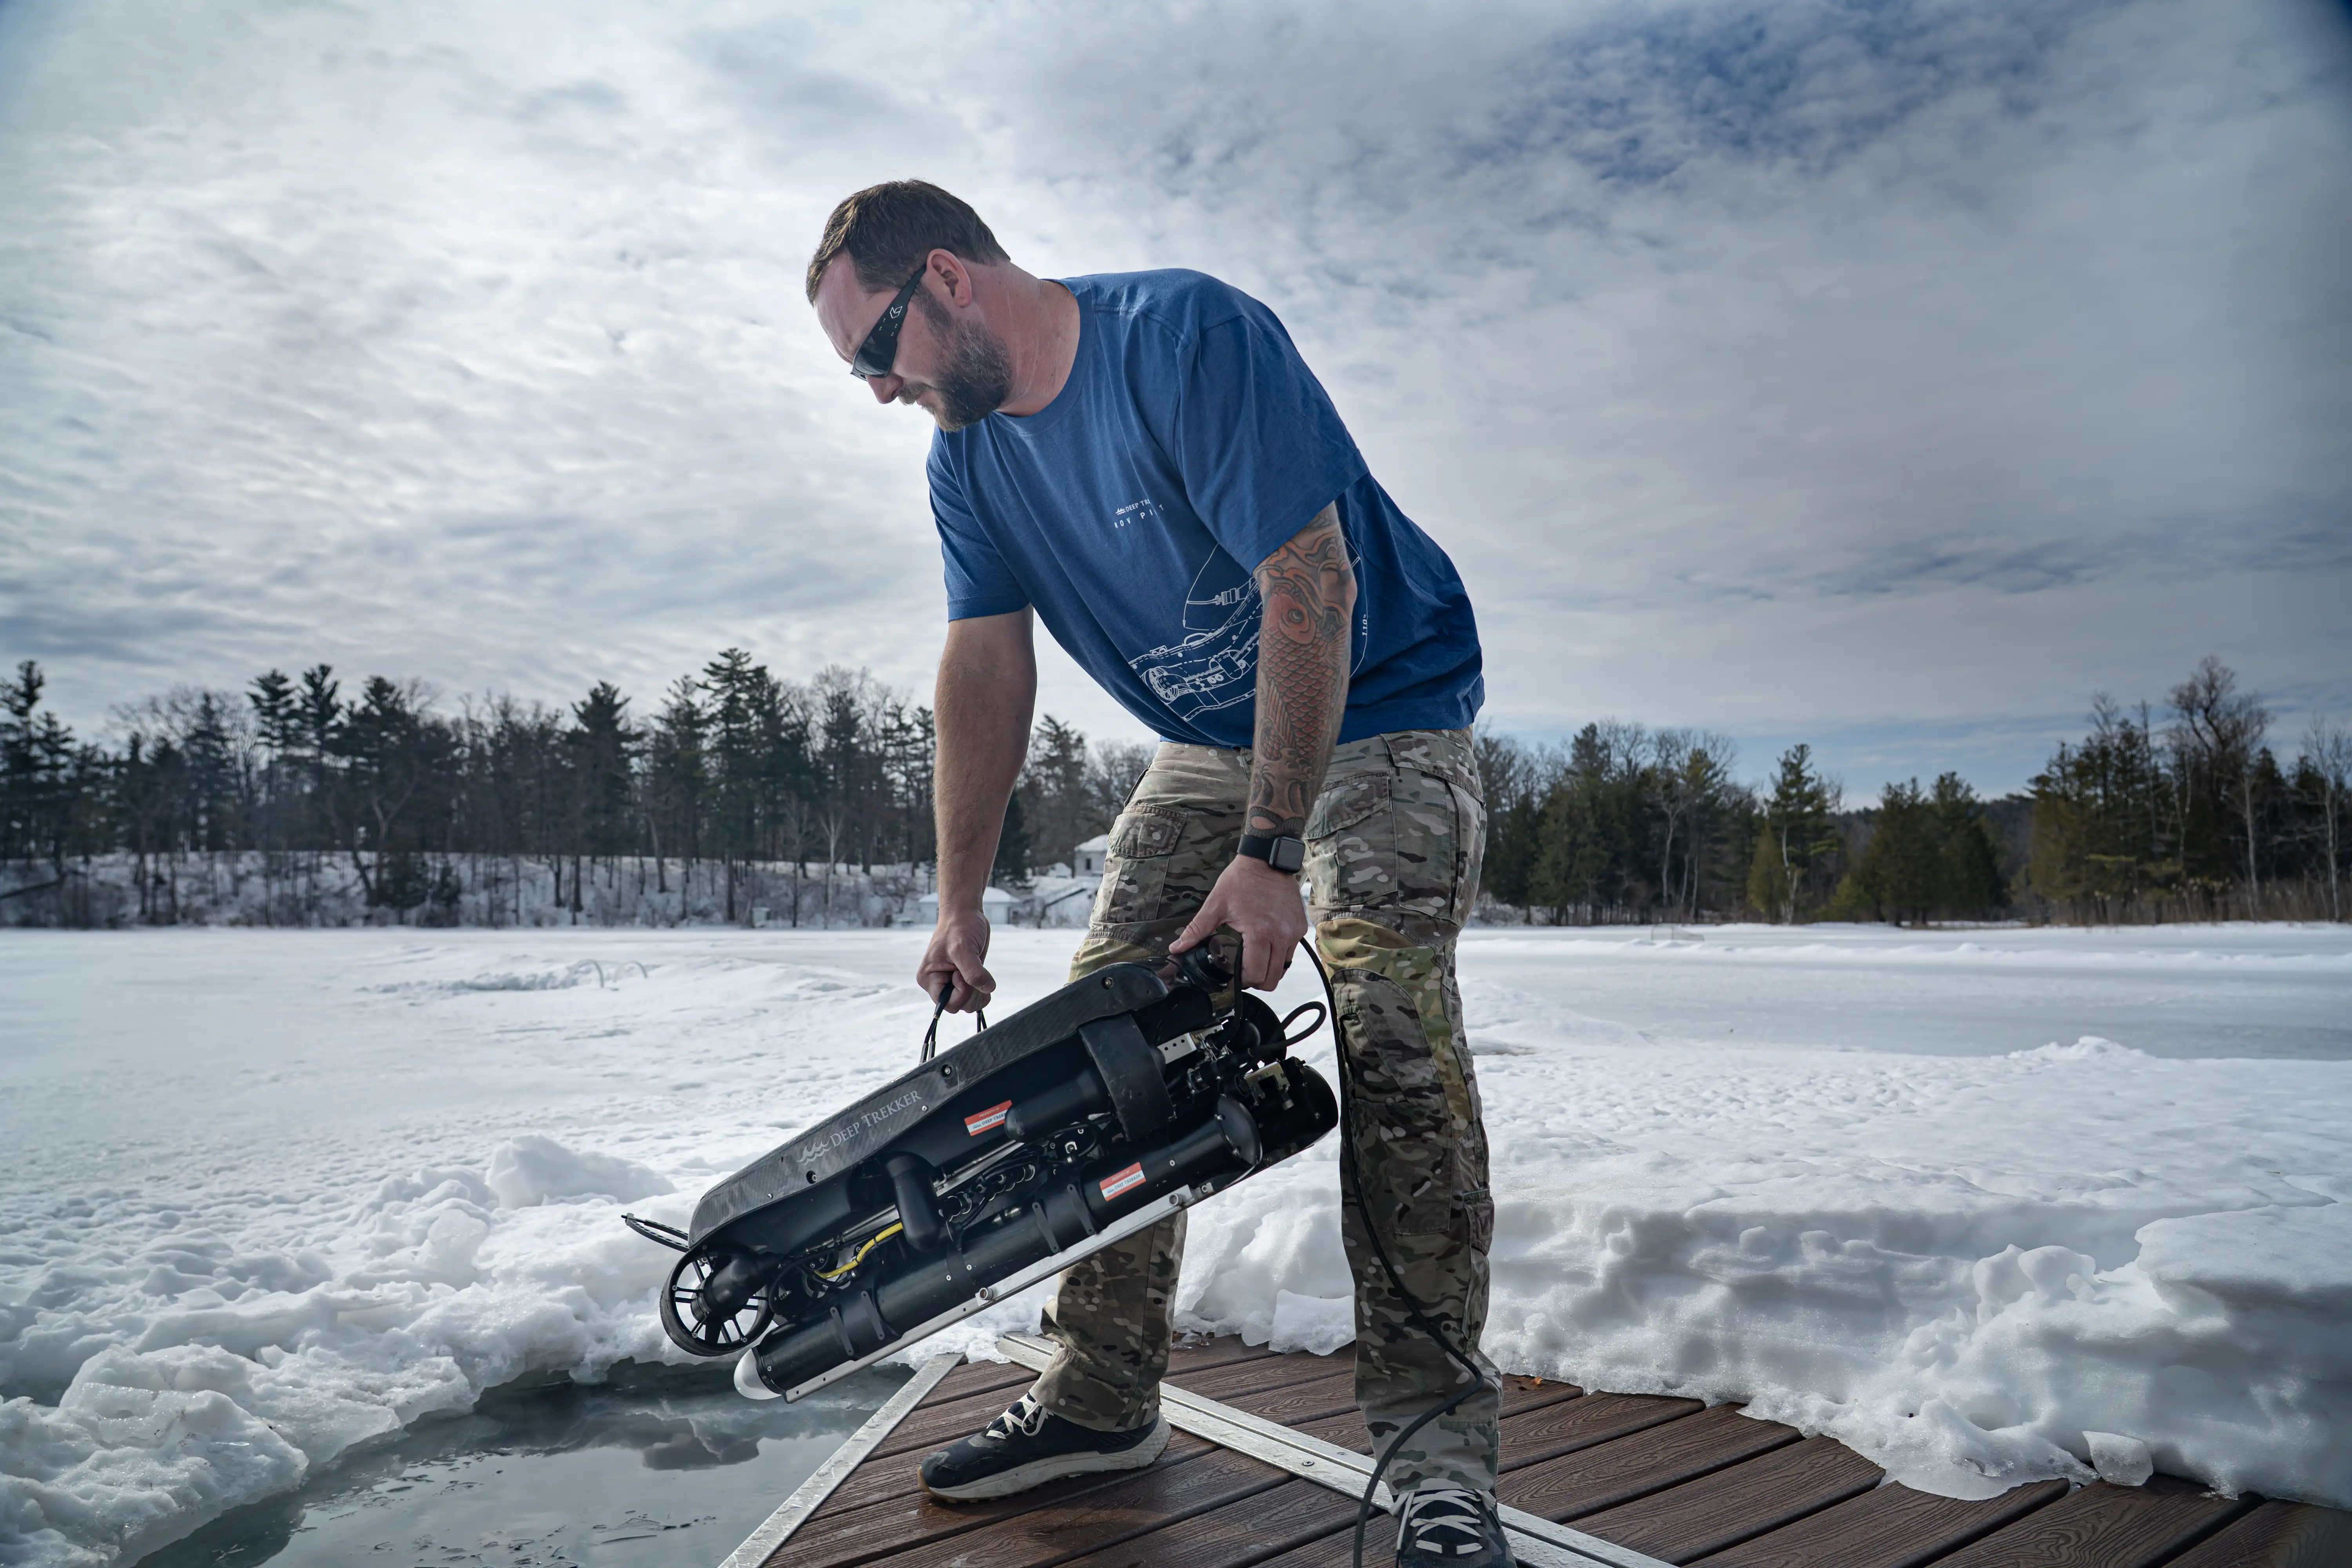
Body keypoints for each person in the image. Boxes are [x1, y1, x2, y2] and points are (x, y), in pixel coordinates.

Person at [806, 181, 1510, 1568]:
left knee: (1388, 1029)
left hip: (1387, 704)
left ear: (946, 279)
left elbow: (1309, 581)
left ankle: (1437, 1458)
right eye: (859, 374)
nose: (879, 390)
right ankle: (1099, 1392)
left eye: (877, 352)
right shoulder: (968, 461)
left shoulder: (1182, 338)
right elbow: (984, 665)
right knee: (1096, 1041)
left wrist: (1268, 853)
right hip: (1204, 743)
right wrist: (960, 896)